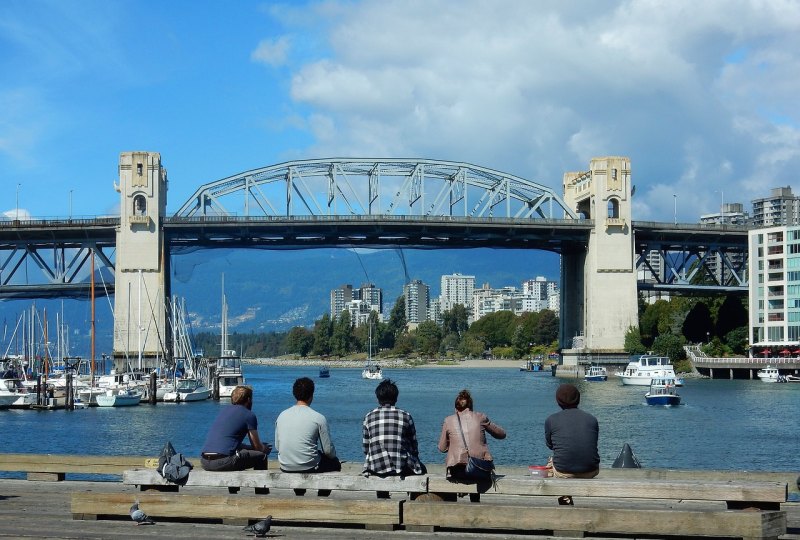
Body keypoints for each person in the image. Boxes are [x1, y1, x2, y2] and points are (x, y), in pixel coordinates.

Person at [274, 377, 340, 473]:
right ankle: (323, 488)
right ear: (311, 395)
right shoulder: (318, 418)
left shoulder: (281, 416)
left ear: (294, 394)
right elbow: (328, 451)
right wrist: (333, 456)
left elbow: (277, 446)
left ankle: (299, 488)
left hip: (285, 465)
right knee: (335, 463)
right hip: (309, 465)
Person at [362, 379, 426, 477]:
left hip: (376, 466)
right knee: (422, 469)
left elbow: (366, 447)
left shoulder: (369, 416)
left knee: (379, 469)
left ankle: (382, 492)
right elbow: (413, 444)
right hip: (401, 467)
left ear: (378, 399)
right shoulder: (406, 415)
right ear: (396, 398)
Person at [438, 389, 506, 480]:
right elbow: (502, 435)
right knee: (477, 476)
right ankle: (475, 494)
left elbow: (442, 448)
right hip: (479, 468)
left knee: (460, 477)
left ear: (455, 408)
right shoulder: (480, 417)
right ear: (471, 406)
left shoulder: (448, 420)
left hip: (457, 470)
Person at [200, 385, 270, 471]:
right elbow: (257, 447)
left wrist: (249, 448)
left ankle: (235, 485)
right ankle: (260, 484)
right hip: (222, 461)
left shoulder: (224, 412)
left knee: (240, 457)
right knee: (261, 457)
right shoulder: (249, 415)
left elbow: (229, 443)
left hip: (204, 461)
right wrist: (264, 448)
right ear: (248, 400)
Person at [544, 383, 599, 480]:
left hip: (563, 471)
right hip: (591, 471)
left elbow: (550, 445)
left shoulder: (551, 420)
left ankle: (563, 494)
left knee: (551, 461)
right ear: (578, 399)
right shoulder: (592, 419)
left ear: (558, 401)